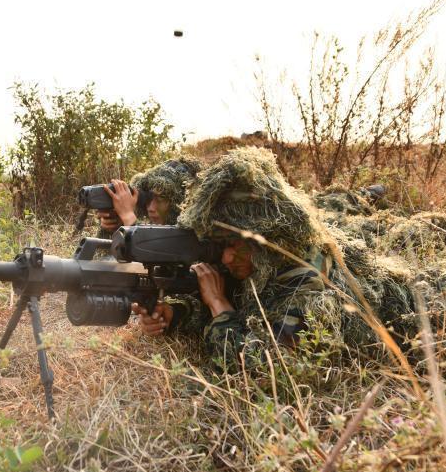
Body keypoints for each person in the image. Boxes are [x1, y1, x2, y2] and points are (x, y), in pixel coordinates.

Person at [132, 147, 338, 370]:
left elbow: (266, 366)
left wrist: (218, 304)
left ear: (266, 240)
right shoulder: (257, 261)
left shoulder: (305, 277)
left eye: (233, 244)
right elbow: (236, 299)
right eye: (222, 245)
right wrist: (176, 313)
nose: (227, 258)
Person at [95, 158, 201, 237]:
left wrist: (128, 217)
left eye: (160, 199)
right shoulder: (156, 226)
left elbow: (158, 251)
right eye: (149, 198)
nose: (151, 208)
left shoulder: (197, 232)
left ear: (181, 201)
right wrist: (118, 227)